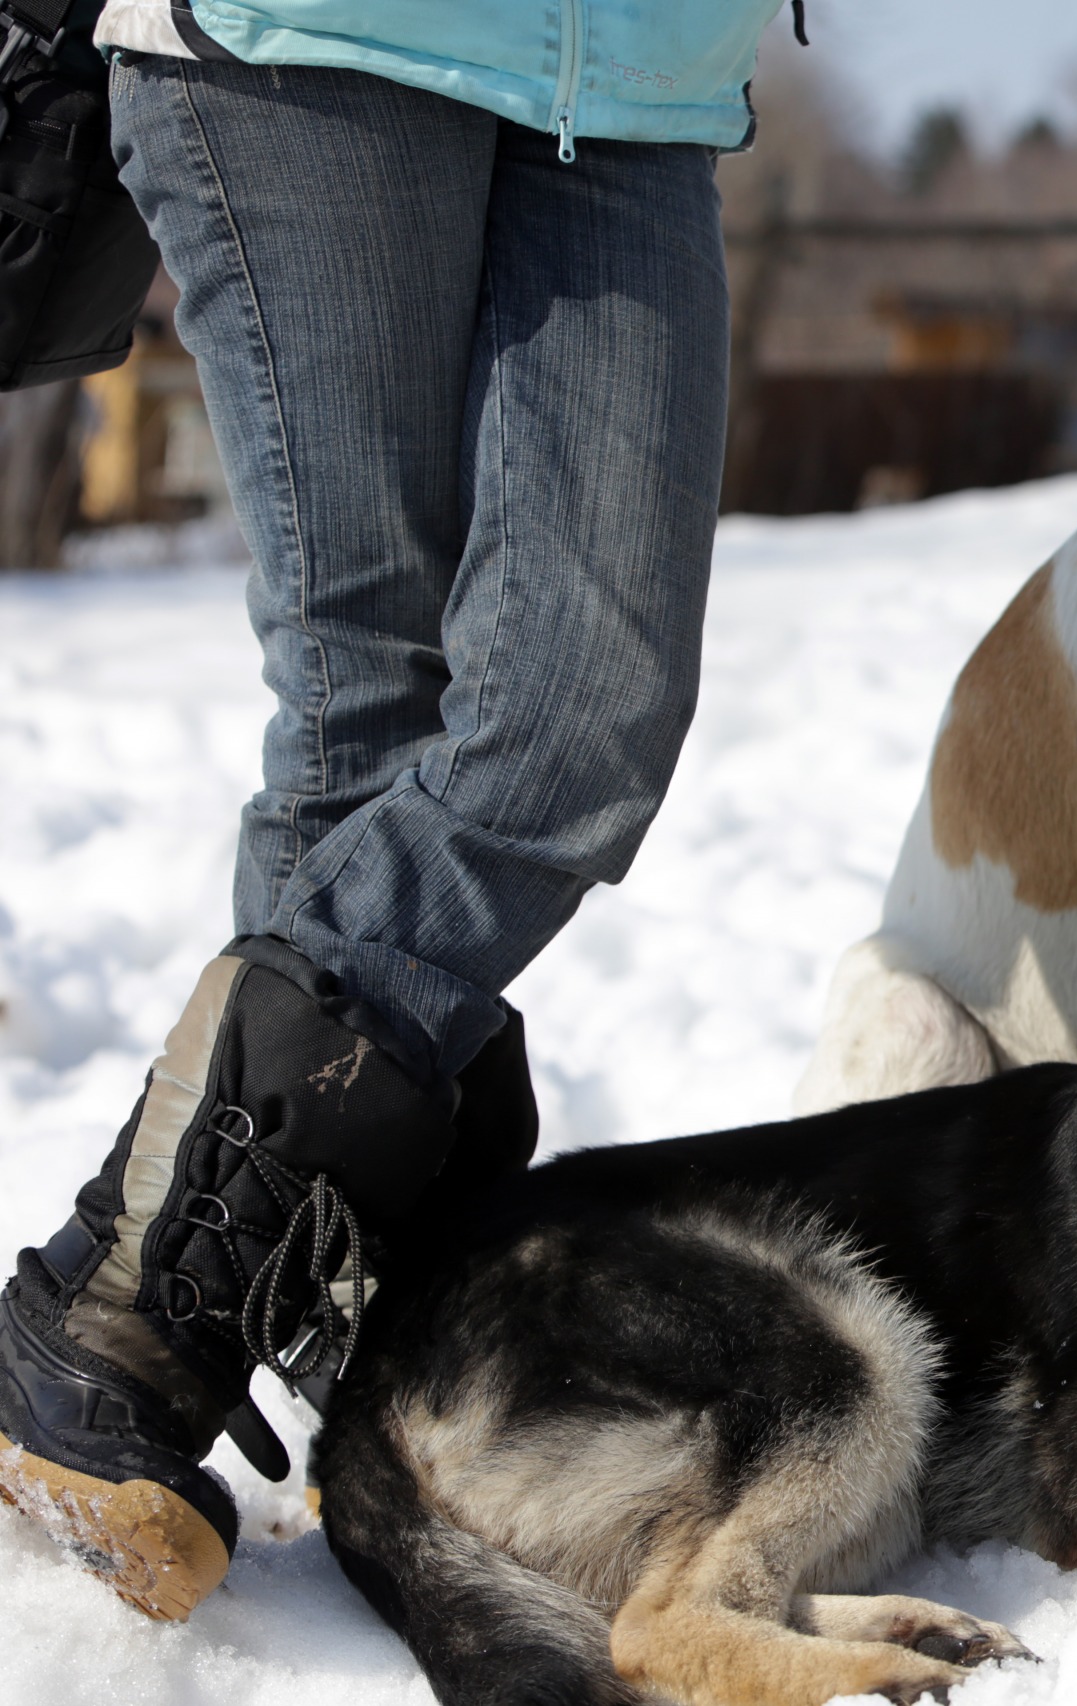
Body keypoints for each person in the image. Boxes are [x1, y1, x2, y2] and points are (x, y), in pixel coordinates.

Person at [0, 0, 791, 1619]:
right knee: (370, 698)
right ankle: (223, 1359)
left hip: (638, 62)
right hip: (313, 33)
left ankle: (143, 1290)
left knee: (588, 703)